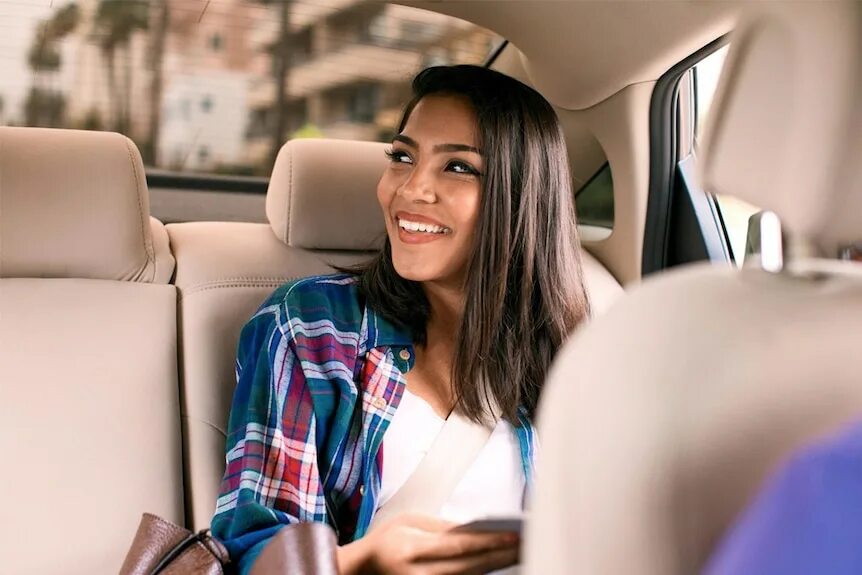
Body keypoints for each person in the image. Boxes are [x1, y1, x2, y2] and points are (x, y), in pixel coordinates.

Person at [211, 64, 591, 575]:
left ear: (522, 197)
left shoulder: (577, 360)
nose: (411, 189)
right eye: (402, 157)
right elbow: (253, 550)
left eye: (457, 167)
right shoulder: (311, 330)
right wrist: (361, 561)